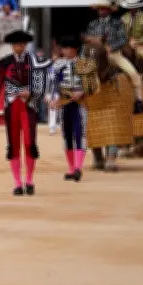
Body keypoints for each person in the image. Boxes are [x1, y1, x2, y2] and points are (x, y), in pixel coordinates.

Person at [0, 30, 52, 196]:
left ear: (25, 45)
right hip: (12, 106)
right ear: (12, 46)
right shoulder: (5, 62)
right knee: (13, 144)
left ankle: (29, 180)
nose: (19, 47)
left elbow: (42, 82)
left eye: (21, 44)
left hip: (29, 105)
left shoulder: (34, 61)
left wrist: (31, 92)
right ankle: (18, 182)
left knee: (29, 143)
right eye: (16, 44)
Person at [86, 0, 143, 114]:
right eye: (99, 9)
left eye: (103, 8)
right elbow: (88, 39)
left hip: (114, 54)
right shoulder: (93, 24)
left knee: (134, 73)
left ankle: (139, 101)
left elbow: (123, 39)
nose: (101, 11)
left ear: (109, 10)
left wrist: (111, 48)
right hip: (97, 55)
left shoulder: (117, 22)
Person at [48, 37, 87, 182]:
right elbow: (55, 84)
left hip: (80, 103)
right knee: (67, 136)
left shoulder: (84, 64)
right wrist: (53, 97)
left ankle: (78, 168)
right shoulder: (59, 64)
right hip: (65, 103)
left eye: (66, 48)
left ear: (74, 49)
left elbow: (92, 84)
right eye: (63, 48)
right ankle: (72, 169)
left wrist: (81, 92)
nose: (63, 51)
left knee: (79, 133)